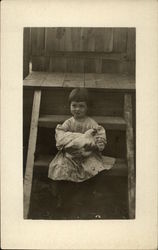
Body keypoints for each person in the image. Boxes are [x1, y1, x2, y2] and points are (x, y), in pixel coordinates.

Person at [48, 88, 115, 208]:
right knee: (60, 168)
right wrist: (73, 140)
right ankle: (62, 197)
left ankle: (86, 196)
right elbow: (61, 136)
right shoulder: (68, 123)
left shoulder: (91, 123)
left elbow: (99, 134)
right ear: (69, 106)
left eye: (81, 106)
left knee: (92, 169)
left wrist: (99, 142)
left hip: (87, 154)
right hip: (70, 154)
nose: (77, 109)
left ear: (87, 107)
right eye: (74, 105)